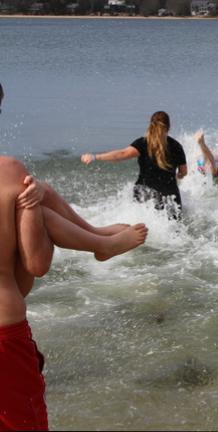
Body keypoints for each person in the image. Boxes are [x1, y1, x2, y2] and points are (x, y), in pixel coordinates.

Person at [0, 84, 147, 430]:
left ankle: (99, 239)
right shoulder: (9, 171)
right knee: (36, 195)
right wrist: (32, 209)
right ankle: (99, 242)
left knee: (38, 195)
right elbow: (37, 266)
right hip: (4, 336)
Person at [81, 111, 187, 218]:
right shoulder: (177, 146)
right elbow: (183, 172)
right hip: (170, 197)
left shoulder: (143, 143)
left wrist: (95, 157)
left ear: (151, 125)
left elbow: (121, 154)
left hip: (145, 194)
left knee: (141, 229)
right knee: (174, 230)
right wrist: (179, 175)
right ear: (168, 127)